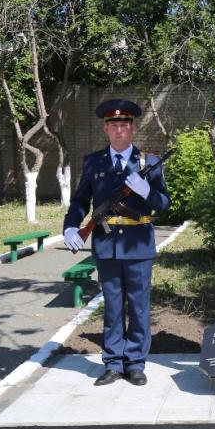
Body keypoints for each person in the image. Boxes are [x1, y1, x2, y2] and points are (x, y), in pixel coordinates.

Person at [63, 99, 171, 386]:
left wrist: (147, 190)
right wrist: (72, 225)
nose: (119, 130)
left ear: (133, 128)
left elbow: (164, 204)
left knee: (137, 306)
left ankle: (135, 363)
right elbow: (79, 201)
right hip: (106, 245)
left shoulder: (151, 162)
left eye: (124, 125)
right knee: (112, 307)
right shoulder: (94, 162)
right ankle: (113, 363)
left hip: (138, 246)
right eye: (114, 125)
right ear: (105, 129)